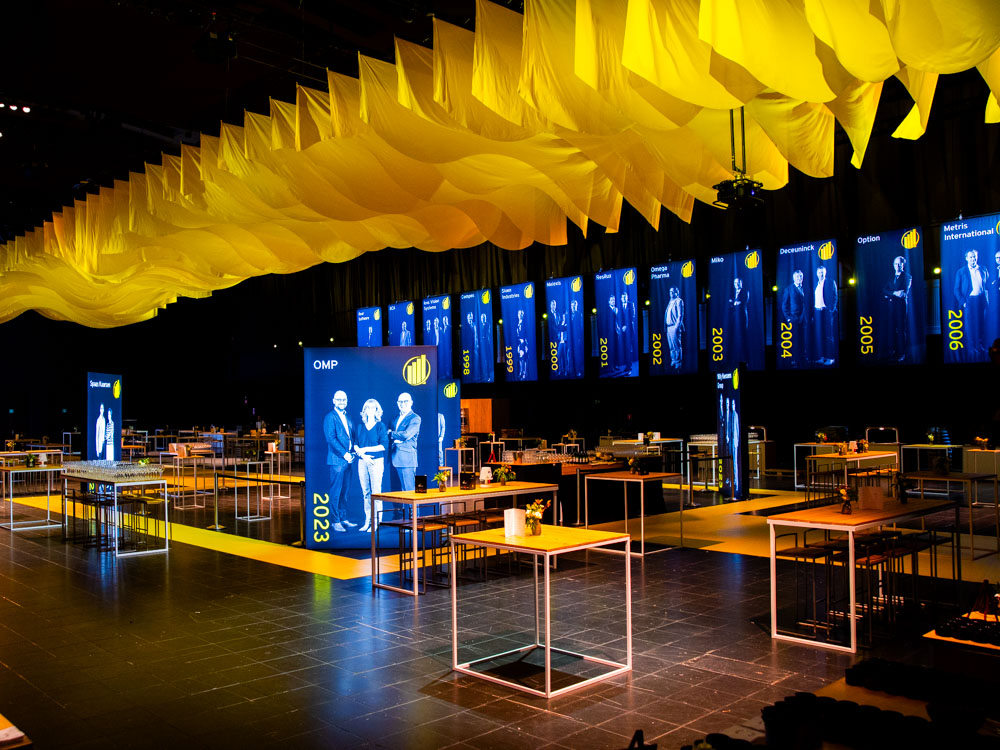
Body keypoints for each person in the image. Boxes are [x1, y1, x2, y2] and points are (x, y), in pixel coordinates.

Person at [322, 390, 356, 532]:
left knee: (345, 492)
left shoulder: (347, 417)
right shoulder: (330, 417)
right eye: (339, 399)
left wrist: (352, 452)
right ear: (334, 401)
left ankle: (343, 518)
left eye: (344, 399)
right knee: (336, 492)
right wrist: (344, 454)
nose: (342, 402)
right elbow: (331, 439)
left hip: (348, 460)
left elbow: (351, 437)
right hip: (337, 461)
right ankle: (335, 521)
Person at [352, 398, 388, 533]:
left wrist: (366, 450)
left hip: (376, 462)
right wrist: (363, 456)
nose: (370, 410)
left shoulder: (380, 426)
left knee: (376, 492)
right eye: (368, 407)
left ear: (377, 410)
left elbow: (383, 446)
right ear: (364, 410)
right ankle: (367, 521)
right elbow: (355, 444)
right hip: (362, 461)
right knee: (366, 493)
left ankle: (376, 521)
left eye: (373, 408)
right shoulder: (360, 427)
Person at [953, 249, 988, 356]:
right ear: (966, 258)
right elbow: (956, 289)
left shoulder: (983, 269)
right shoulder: (961, 271)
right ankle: (972, 348)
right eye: (971, 257)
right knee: (970, 326)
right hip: (969, 301)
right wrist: (963, 302)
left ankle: (980, 346)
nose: (973, 259)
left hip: (981, 300)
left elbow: (986, 284)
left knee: (981, 323)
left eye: (975, 256)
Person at [883, 255, 912, 362]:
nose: (898, 265)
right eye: (896, 263)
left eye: (900, 264)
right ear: (893, 265)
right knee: (891, 329)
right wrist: (894, 292)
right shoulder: (891, 277)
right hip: (891, 307)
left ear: (903, 265)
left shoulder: (907, 277)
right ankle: (893, 351)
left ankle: (902, 353)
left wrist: (889, 294)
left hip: (901, 307)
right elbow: (883, 290)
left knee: (900, 330)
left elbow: (903, 293)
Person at [390, 392, 421, 491]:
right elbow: (401, 435)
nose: (402, 404)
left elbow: (406, 435)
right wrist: (397, 437)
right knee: (401, 492)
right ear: (397, 403)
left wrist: (391, 433)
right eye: (400, 402)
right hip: (395, 458)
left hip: (407, 459)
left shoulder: (415, 418)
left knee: (409, 490)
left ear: (411, 402)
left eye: (405, 401)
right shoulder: (395, 418)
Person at [780, 270, 808, 367]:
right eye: (797, 277)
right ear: (793, 278)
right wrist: (788, 318)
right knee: (795, 341)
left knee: (804, 340)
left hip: (804, 319)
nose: (799, 278)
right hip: (794, 319)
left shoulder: (806, 288)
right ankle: (796, 360)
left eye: (801, 276)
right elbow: (784, 305)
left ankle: (803, 360)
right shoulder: (789, 289)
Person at [812, 265, 838, 365]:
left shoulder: (830, 282)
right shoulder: (815, 284)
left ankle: (830, 358)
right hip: (817, 312)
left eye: (822, 272)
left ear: (825, 272)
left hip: (827, 312)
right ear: (817, 273)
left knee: (828, 335)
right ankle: (822, 357)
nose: (821, 274)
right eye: (819, 272)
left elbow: (835, 297)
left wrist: (831, 309)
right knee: (820, 335)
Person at [728, 277, 750, 365]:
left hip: (742, 317)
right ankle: (734, 359)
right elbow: (730, 304)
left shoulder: (745, 292)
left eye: (738, 282)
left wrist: (733, 303)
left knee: (743, 337)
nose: (736, 284)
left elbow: (742, 303)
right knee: (733, 337)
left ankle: (745, 359)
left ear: (741, 283)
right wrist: (734, 303)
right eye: (735, 283)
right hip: (734, 318)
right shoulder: (733, 293)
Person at [665, 286, 685, 370]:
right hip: (668, 327)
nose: (671, 293)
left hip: (674, 327)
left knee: (677, 346)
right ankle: (673, 359)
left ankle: (678, 362)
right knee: (671, 346)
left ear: (677, 292)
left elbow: (680, 315)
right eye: (670, 291)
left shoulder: (679, 301)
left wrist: (677, 327)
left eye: (673, 291)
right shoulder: (670, 301)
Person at [548, 298, 567, 376]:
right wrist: (557, 332)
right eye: (553, 304)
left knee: (561, 355)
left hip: (559, 338)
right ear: (550, 305)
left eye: (555, 304)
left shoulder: (558, 314)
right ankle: (556, 370)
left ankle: (562, 370)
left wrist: (560, 331)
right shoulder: (549, 314)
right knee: (555, 355)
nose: (554, 306)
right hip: (553, 337)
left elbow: (559, 324)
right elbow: (551, 326)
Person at [569, 297, 584, 377]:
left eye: (575, 305)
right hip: (569, 338)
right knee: (570, 353)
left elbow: (581, 327)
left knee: (578, 354)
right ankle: (572, 370)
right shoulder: (568, 314)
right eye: (572, 305)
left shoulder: (579, 314)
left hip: (577, 337)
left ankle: (578, 370)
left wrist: (579, 338)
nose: (573, 306)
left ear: (577, 306)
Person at [514, 307, 529, 380]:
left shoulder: (524, 324)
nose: (520, 315)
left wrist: (526, 344)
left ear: (523, 315)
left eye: (521, 314)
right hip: (519, 343)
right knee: (520, 358)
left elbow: (526, 334)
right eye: (519, 314)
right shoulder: (517, 323)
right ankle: (520, 371)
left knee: (524, 358)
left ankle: (524, 372)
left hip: (524, 343)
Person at [479, 312, 493, 380]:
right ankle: (482, 375)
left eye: (484, 318)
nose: (483, 319)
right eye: (482, 318)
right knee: (481, 360)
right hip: (481, 343)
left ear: (486, 318)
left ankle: (488, 375)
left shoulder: (487, 324)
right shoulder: (479, 324)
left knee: (487, 360)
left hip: (486, 343)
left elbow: (488, 334)